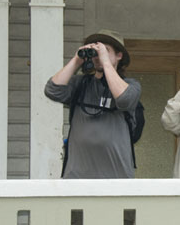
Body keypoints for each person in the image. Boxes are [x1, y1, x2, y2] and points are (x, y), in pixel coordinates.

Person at [44, 29, 141, 178]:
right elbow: (52, 90)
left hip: (117, 177)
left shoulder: (130, 85)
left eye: (106, 50)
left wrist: (106, 62)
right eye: (96, 51)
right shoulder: (80, 84)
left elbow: (124, 99)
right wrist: (77, 60)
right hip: (77, 176)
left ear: (119, 55)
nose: (99, 56)